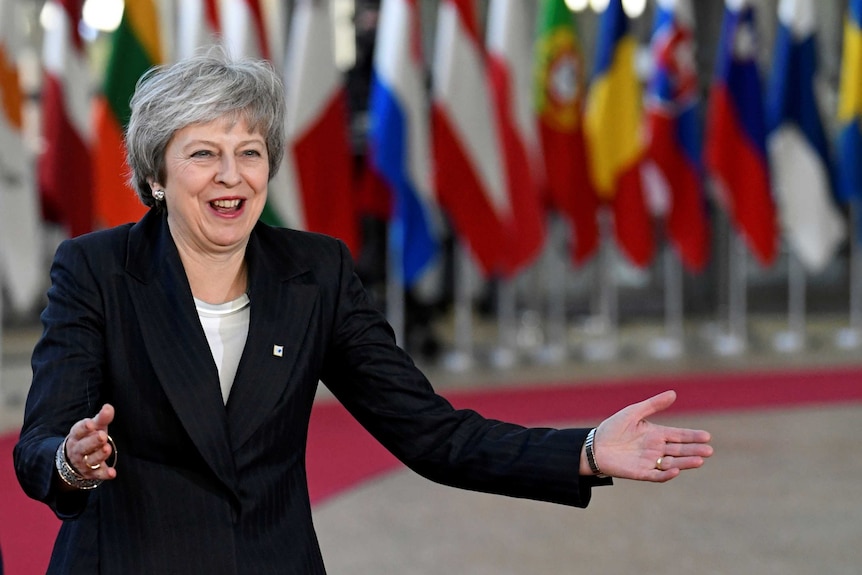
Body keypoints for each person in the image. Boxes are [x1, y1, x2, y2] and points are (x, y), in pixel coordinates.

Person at [14, 50, 712, 574]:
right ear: (156, 176)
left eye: (249, 152)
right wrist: (73, 462)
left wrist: (586, 450)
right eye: (204, 154)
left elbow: (433, 434)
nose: (232, 175)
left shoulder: (316, 273)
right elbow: (41, 442)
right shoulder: (96, 270)